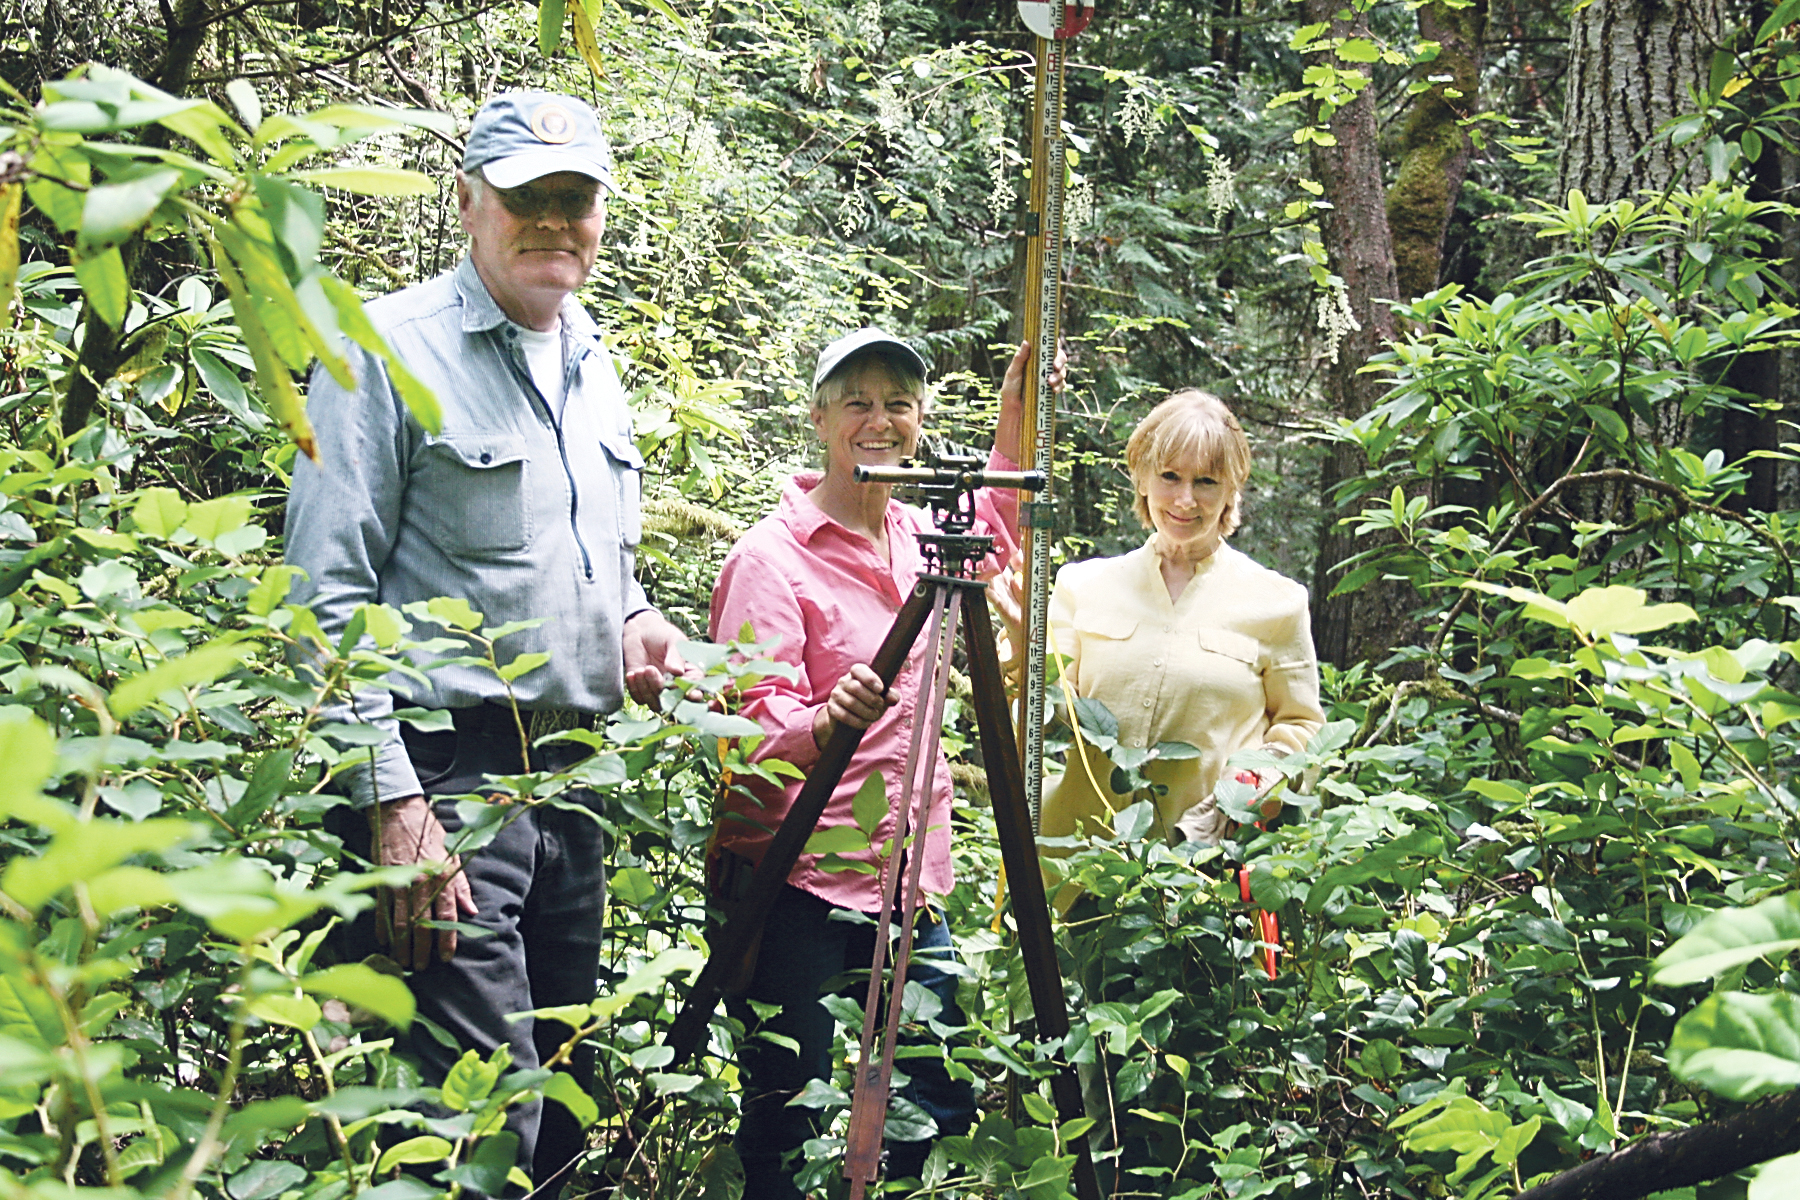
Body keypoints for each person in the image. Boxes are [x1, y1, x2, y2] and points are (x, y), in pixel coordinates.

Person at [284, 92, 687, 1196]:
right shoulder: (382, 352)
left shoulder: (592, 360)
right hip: (444, 783)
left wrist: (640, 626)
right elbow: (320, 596)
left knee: (559, 1102)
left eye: (576, 199)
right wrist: (390, 801)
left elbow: (596, 565)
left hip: (572, 787)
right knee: (482, 1121)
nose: (556, 222)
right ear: (469, 203)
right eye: (527, 199)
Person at [706, 329, 1033, 1198]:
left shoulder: (922, 537)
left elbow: (993, 531)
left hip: (907, 883)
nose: (879, 421)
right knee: (789, 1116)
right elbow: (743, 725)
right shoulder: (768, 558)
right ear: (819, 417)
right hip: (797, 885)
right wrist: (822, 723)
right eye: (858, 402)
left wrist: (1011, 427)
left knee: (936, 1102)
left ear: (920, 420)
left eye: (898, 403)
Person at [1001, 388, 1325, 853]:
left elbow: (1303, 729)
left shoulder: (1278, 603)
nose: (1186, 499)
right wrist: (1022, 655)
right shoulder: (1082, 586)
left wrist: (1251, 790)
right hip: (1073, 865)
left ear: (1232, 488)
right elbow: (1041, 716)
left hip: (1205, 873)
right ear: (1141, 479)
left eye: (1207, 482)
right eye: (1170, 476)